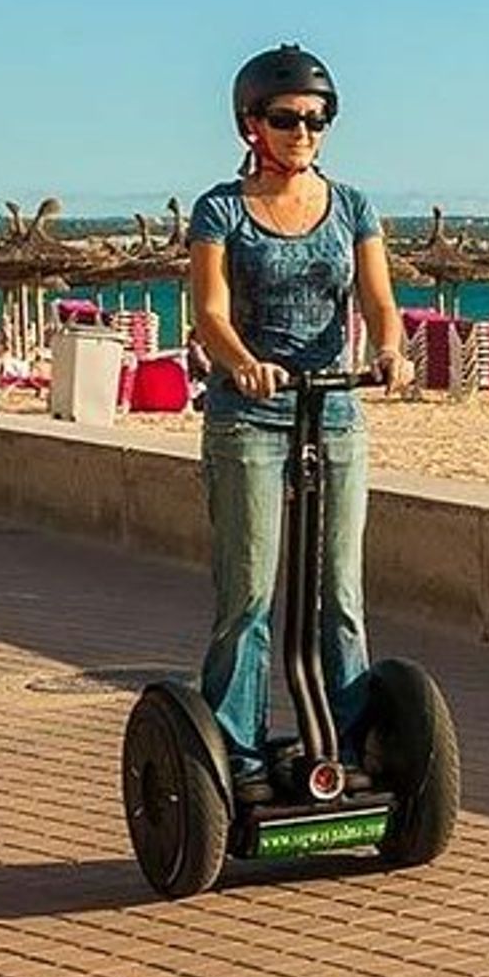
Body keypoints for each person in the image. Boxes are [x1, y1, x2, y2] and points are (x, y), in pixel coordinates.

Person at [186, 44, 415, 796]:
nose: (304, 133)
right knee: (249, 595)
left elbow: (380, 303)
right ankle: (239, 756)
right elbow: (211, 313)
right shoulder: (221, 209)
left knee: (340, 597)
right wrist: (242, 360)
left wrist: (389, 348)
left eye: (318, 120)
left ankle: (347, 750)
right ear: (251, 123)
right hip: (248, 415)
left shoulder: (351, 207)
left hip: (335, 412)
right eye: (286, 119)